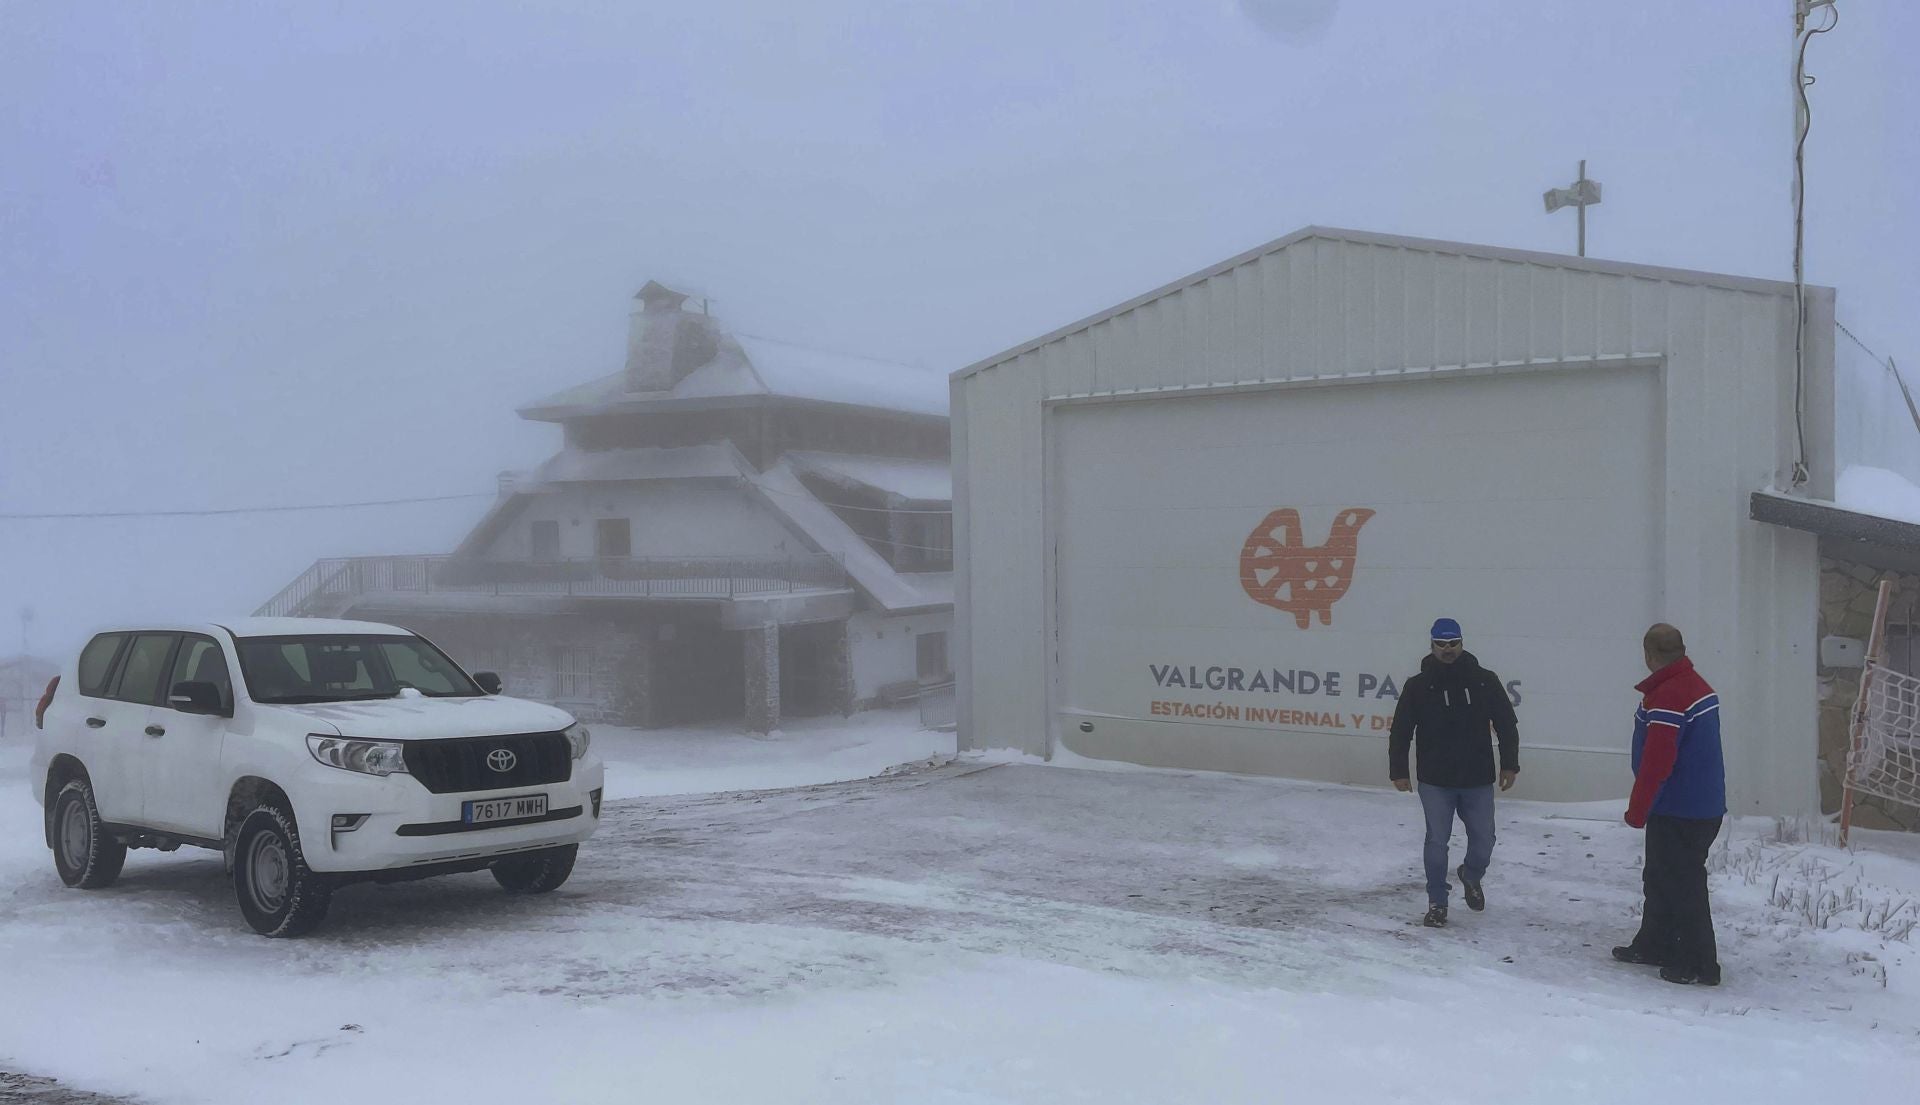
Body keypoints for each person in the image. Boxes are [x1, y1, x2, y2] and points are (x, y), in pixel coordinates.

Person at [1611, 623, 1726, 985]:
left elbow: (1657, 761)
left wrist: (1637, 809)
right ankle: (1655, 943)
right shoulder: (1694, 686)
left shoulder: (1670, 696)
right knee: (1660, 878)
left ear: (1649, 655)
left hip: (1682, 809)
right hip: (1694, 806)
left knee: (1683, 883)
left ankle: (1699, 963)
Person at [1388, 618, 1520, 927]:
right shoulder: (1417, 686)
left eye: (1453, 644)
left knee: (1485, 838)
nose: (1448, 650)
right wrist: (1398, 770)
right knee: (1437, 840)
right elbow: (1401, 732)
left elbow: (1506, 724)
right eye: (1441, 645)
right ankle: (1437, 902)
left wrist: (1510, 764)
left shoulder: (1484, 680)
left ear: (1462, 643)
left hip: (1477, 778)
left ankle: (1471, 875)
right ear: (1431, 645)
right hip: (1435, 781)